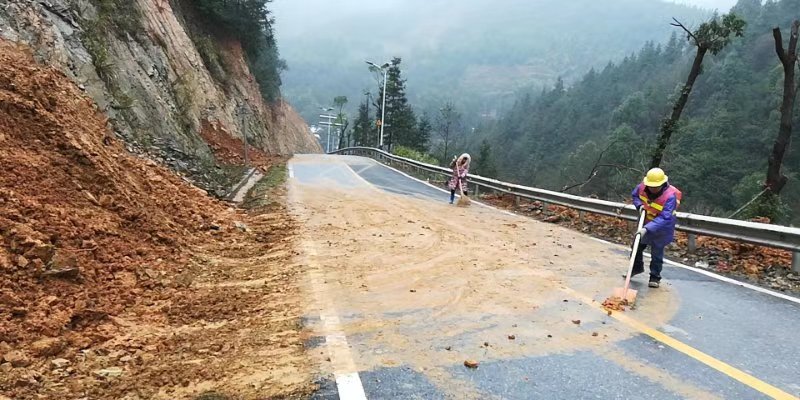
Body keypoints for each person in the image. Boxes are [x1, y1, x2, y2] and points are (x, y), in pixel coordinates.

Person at [630, 167, 682, 288]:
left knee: (656, 253)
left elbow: (665, 217)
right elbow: (635, 196)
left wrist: (647, 229)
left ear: (662, 184)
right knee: (636, 246)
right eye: (650, 186)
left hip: (662, 228)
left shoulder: (670, 196)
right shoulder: (642, 187)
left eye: (655, 187)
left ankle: (655, 277)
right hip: (645, 221)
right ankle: (636, 268)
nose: (652, 189)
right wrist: (639, 205)